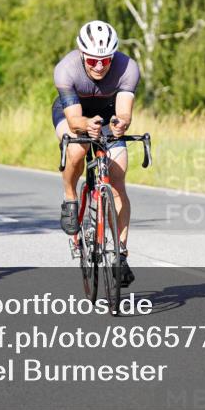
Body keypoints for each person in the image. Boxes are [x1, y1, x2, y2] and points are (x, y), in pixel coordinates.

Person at [52, 20, 140, 286]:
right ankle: (70, 196)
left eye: (105, 60)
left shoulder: (128, 68)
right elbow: (74, 120)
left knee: (118, 180)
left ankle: (120, 255)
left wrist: (121, 123)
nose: (99, 66)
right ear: (82, 54)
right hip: (73, 113)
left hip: (107, 113)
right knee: (77, 148)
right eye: (92, 60)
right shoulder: (66, 69)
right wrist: (85, 126)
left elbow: (124, 112)